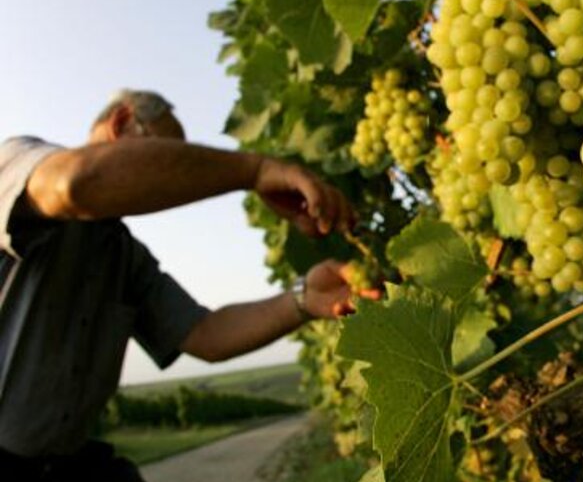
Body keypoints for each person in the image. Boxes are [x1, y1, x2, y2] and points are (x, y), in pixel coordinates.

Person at [0, 89, 358, 481]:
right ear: (120, 123)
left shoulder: (123, 256)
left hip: (72, 464)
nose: (174, 174)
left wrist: (303, 299)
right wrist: (254, 171)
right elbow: (76, 183)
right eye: (167, 154)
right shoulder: (19, 160)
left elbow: (206, 335)